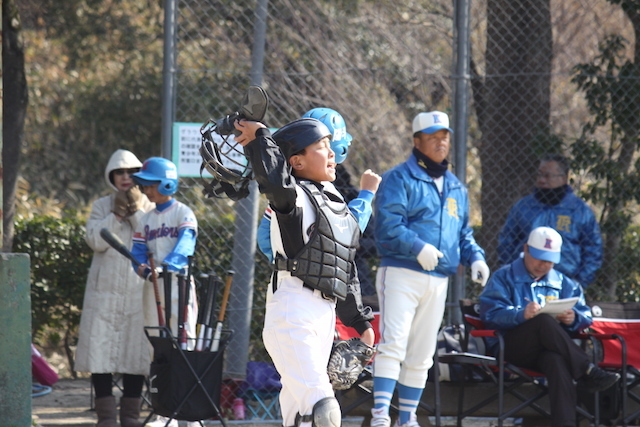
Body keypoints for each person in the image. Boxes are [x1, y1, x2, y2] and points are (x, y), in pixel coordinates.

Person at [234, 117, 376, 427]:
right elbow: (274, 180)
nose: (332, 154)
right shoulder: (293, 198)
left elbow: (342, 266)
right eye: (322, 147)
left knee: (300, 413)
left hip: (322, 314)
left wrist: (359, 321)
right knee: (323, 407)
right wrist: (261, 139)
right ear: (296, 161)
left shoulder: (335, 202)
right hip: (293, 311)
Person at [371, 111, 490, 427]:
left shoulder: (455, 187)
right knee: (393, 343)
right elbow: (387, 225)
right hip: (401, 272)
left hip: (438, 279)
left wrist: (475, 256)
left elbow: (463, 233)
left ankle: (407, 419)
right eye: (433, 136)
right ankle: (381, 416)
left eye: (445, 136)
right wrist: (417, 246)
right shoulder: (398, 178)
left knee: (423, 353)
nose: (441, 141)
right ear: (416, 141)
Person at [480, 226, 620, 427]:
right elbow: (490, 315)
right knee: (542, 321)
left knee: (555, 361)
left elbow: (586, 316)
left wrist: (574, 319)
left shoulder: (564, 283)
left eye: (549, 260)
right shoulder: (504, 277)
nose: (543, 265)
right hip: (511, 348)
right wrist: (520, 314)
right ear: (526, 249)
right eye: (539, 257)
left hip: (550, 350)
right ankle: (587, 370)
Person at [256, 107, 380, 296]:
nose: (329, 152)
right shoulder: (308, 189)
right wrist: (366, 195)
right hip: (304, 292)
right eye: (322, 145)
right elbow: (349, 230)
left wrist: (286, 263)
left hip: (307, 288)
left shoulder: (306, 185)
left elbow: (264, 238)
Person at [75, 149, 155, 427]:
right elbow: (95, 241)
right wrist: (115, 214)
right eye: (119, 172)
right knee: (101, 351)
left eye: (131, 172)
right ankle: (106, 418)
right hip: (104, 291)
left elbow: (151, 238)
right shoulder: (101, 205)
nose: (125, 177)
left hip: (137, 290)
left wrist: (133, 210)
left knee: (137, 350)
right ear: (111, 175)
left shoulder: (149, 204)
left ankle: (131, 417)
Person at [130, 157, 199, 427]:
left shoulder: (183, 212)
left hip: (178, 284)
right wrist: (145, 269)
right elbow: (136, 253)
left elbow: (186, 245)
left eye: (151, 184)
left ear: (167, 183)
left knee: (185, 342)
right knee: (158, 346)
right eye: (145, 185)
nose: (147, 190)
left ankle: (190, 414)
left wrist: (168, 265)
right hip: (153, 287)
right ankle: (164, 413)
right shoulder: (145, 220)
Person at [498, 153, 603, 287]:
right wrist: (512, 275)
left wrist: (578, 283)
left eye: (547, 176)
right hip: (524, 283)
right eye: (539, 175)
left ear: (563, 178)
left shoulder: (580, 211)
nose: (541, 180)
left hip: (566, 283)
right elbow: (507, 242)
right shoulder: (523, 207)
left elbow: (593, 250)